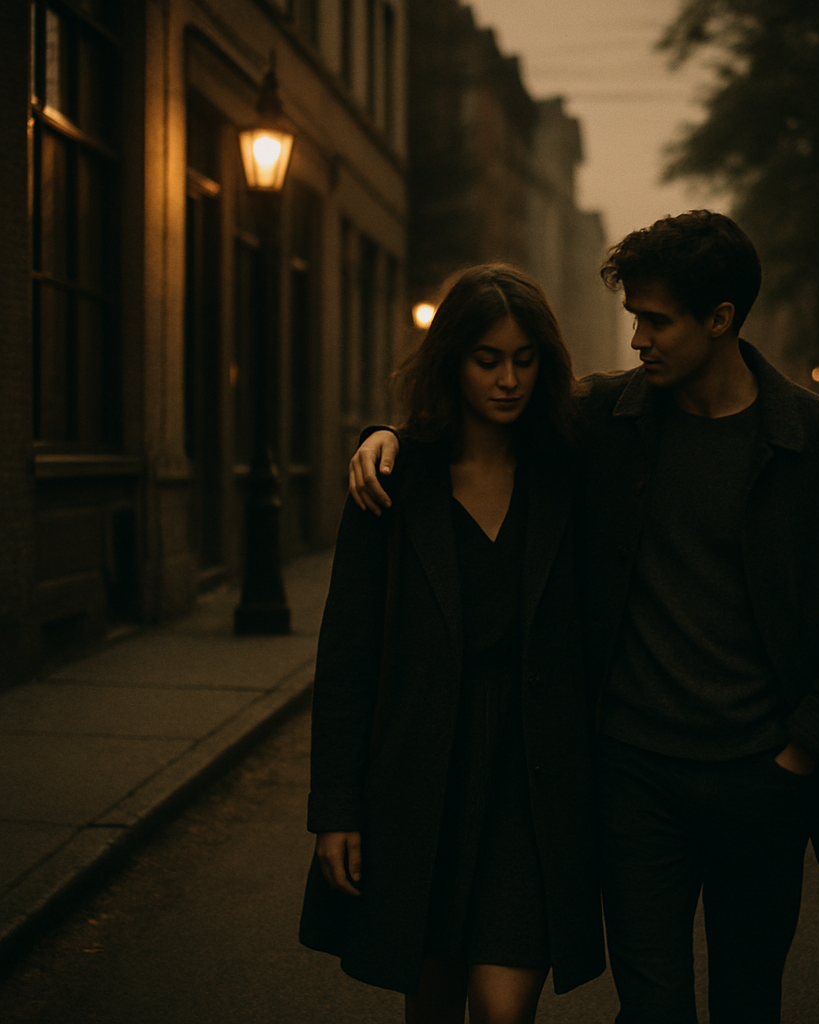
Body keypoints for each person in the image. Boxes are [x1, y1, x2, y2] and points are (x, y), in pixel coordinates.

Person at [348, 211, 819, 1024]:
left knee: (751, 1000)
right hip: (636, 779)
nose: (637, 337)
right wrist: (388, 436)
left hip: (763, 779)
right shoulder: (605, 419)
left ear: (721, 320)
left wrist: (800, 752)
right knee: (653, 1005)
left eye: (656, 319)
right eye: (634, 316)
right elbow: (488, 411)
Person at [299, 264, 605, 1024]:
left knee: (505, 1013)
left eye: (526, 360)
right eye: (488, 359)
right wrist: (336, 810)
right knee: (431, 1007)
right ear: (452, 361)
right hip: (421, 781)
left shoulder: (568, 474)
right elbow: (346, 661)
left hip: (532, 784)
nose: (509, 380)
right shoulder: (394, 486)